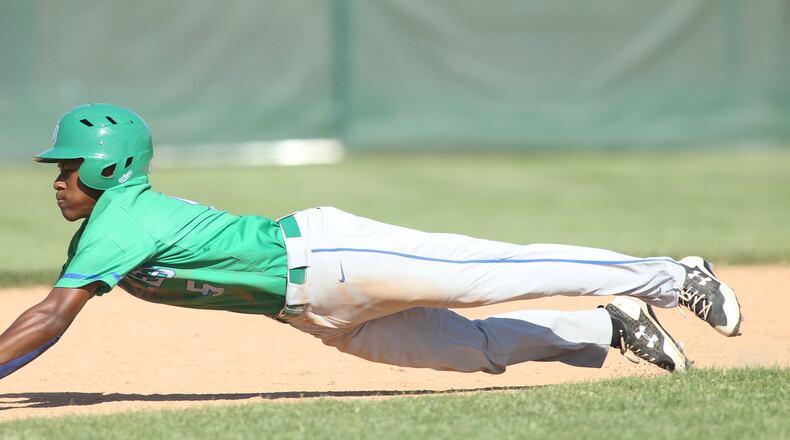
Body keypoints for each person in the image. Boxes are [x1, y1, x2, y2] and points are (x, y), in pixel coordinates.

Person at [0, 103, 742, 381]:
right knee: (472, 350)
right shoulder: (107, 229)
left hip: (328, 257)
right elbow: (42, 332)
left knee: (494, 274)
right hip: (313, 314)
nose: (58, 179)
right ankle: (609, 326)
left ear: (106, 165)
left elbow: (47, 320)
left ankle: (675, 277)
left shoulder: (120, 216)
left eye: (66, 165)